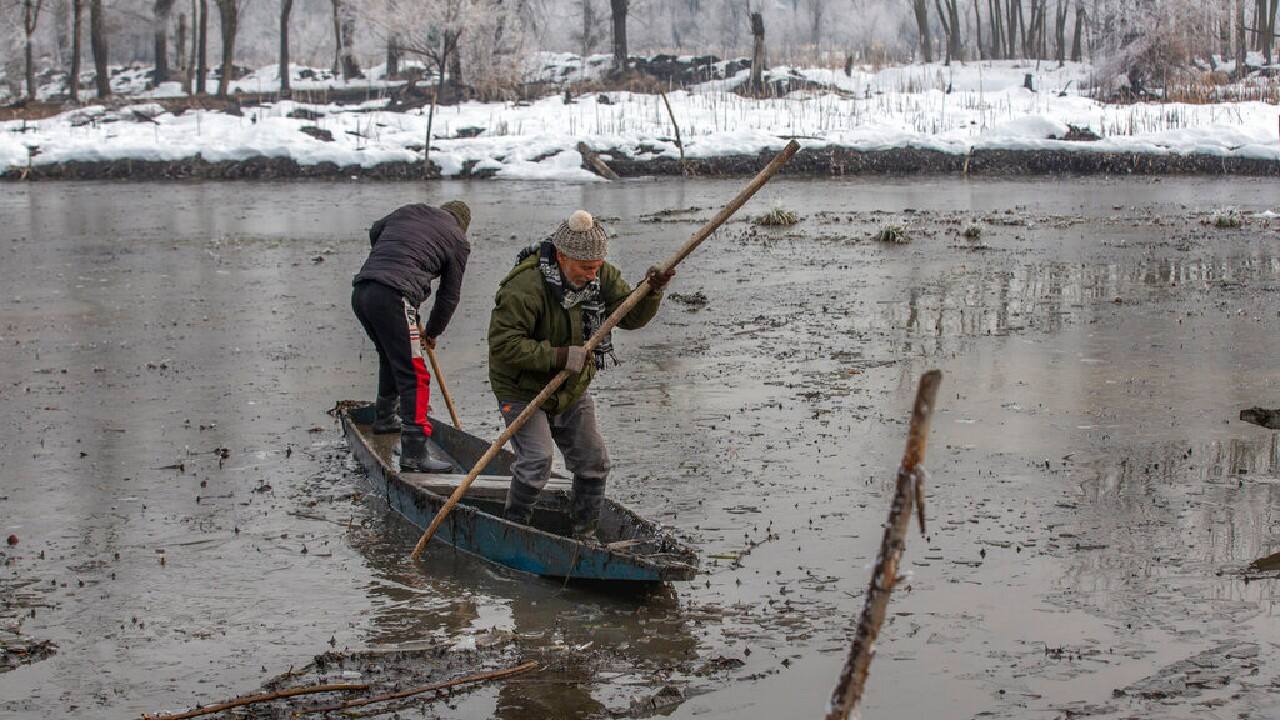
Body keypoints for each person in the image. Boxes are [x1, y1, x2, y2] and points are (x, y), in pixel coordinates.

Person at [487, 209, 674, 540]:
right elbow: (504, 345)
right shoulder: (524, 287)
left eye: (597, 266)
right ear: (562, 257)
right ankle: (515, 531)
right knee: (537, 461)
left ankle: (583, 535)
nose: (593, 275)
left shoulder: (600, 275)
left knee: (594, 462)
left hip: (570, 387)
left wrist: (651, 290)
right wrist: (559, 355)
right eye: (586, 268)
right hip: (521, 388)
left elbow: (628, 317)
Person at [351, 200, 471, 473]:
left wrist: (387, 261)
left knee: (391, 356)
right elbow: (449, 296)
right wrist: (432, 332)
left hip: (363, 290)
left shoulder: (410, 211)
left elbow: (376, 230)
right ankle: (414, 453)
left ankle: (384, 418)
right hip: (393, 295)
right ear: (463, 225)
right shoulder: (458, 240)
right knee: (415, 375)